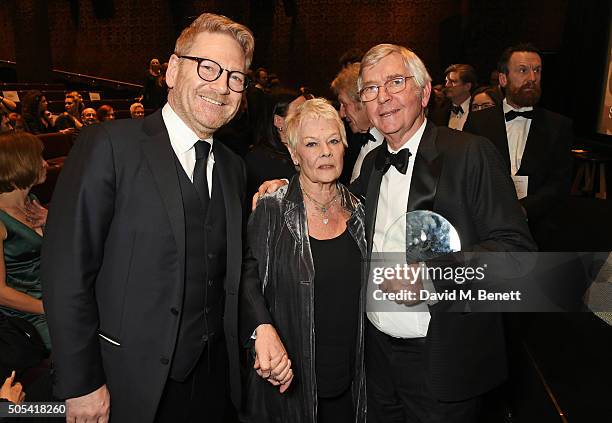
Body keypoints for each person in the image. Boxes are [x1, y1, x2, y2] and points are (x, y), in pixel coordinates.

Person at [256, 43, 535, 423]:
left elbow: (518, 255)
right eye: (370, 88)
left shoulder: (470, 154)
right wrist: (284, 187)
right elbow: (331, 204)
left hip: (442, 362)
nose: (382, 96)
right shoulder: (371, 165)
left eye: (395, 82)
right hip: (374, 367)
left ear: (423, 92)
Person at [41, 12, 254, 422]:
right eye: (208, 67)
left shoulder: (233, 167)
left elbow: (231, 265)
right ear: (173, 70)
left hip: (215, 381)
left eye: (235, 77)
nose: (221, 86)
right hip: (127, 382)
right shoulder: (109, 146)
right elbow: (66, 270)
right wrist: (81, 383)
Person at [241, 98, 366, 423]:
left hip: (354, 387)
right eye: (312, 143)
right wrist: (260, 327)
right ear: (295, 155)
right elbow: (245, 276)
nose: (325, 151)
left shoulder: (363, 212)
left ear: (344, 147)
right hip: (288, 387)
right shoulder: (272, 209)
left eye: (333, 141)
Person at [464, 43, 573, 224]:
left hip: (540, 227)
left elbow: (559, 183)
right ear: (503, 79)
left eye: (537, 71)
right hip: (486, 223)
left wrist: (525, 209)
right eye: (523, 70)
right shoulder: (478, 122)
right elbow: (468, 173)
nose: (532, 78)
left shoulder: (559, 126)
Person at [0, 132, 50, 350]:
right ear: (20, 164)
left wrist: (51, 221)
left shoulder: (31, 202)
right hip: (27, 315)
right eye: (38, 158)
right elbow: (1, 293)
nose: (45, 163)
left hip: (53, 296)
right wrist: (50, 308)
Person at [244, 91, 305, 198]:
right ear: (279, 121)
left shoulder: (314, 148)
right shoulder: (258, 160)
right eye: (300, 113)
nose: (309, 117)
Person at [331, 62, 383, 183]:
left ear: (363, 102)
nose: (342, 113)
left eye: (344, 104)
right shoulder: (352, 141)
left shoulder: (392, 146)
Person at [429, 64, 477, 130]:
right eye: (446, 81)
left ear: (467, 86)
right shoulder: (438, 113)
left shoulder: (478, 110)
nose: (446, 85)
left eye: (453, 81)